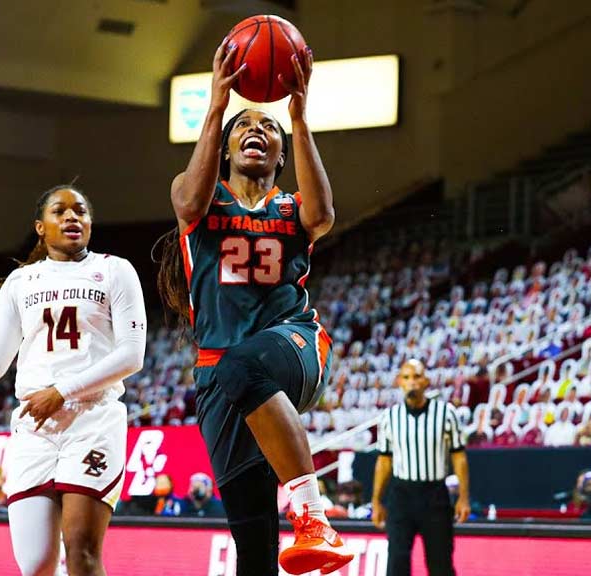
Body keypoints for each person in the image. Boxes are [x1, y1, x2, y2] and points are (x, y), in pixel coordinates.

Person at [156, 35, 350, 576]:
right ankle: (291, 529)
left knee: (244, 361)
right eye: (245, 127)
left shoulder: (292, 206)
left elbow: (324, 215)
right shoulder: (200, 197)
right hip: (218, 373)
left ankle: (313, 514)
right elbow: (186, 201)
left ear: (282, 155)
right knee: (253, 541)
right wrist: (217, 106)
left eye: (268, 129)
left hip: (294, 344)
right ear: (224, 146)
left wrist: (301, 118)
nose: (257, 132)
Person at [0, 186, 147, 576]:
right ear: (40, 226)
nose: (72, 217)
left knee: (81, 552)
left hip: (92, 419)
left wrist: (61, 391)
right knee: (35, 565)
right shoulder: (21, 283)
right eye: (60, 211)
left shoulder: (116, 270)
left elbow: (132, 355)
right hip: (35, 425)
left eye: (80, 211)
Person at [372, 360, 470, 576]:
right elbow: (384, 460)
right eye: (406, 378)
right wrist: (376, 500)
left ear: (426, 381)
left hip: (435, 495)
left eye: (416, 377)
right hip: (401, 496)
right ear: (399, 382)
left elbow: (459, 457)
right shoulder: (389, 417)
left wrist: (463, 497)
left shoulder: (446, 413)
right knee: (397, 562)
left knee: (440, 563)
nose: (412, 383)